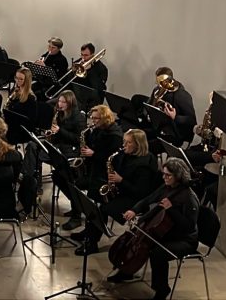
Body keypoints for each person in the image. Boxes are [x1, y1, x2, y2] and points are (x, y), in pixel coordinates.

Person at [109, 158, 199, 300]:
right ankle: (127, 271)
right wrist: (134, 210)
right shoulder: (167, 187)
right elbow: (148, 199)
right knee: (141, 240)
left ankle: (162, 290)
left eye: (168, 175)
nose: (164, 177)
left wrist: (171, 209)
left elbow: (189, 226)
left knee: (157, 253)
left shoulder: (188, 197)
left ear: (178, 176)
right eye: (163, 174)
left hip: (184, 239)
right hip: (168, 232)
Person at [71, 128, 161, 255]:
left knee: (103, 209)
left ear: (138, 144)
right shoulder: (127, 154)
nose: (124, 145)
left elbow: (141, 192)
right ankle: (88, 232)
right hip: (123, 190)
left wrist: (120, 180)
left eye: (128, 142)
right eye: (124, 141)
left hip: (135, 199)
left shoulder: (144, 165)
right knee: (94, 195)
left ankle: (92, 243)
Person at [60, 104, 123, 231]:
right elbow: (88, 144)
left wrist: (93, 154)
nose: (93, 121)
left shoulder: (114, 136)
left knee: (76, 186)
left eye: (96, 118)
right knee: (60, 175)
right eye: (92, 118)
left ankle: (77, 217)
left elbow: (112, 159)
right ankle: (78, 207)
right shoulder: (98, 129)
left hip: (103, 174)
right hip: (92, 167)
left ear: (105, 118)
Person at [150, 67, 196, 147]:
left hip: (175, 134)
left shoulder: (182, 96)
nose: (158, 85)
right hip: (161, 127)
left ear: (168, 81)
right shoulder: (158, 89)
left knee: (147, 145)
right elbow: (151, 103)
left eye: (161, 82)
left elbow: (192, 120)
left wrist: (175, 117)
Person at [2, 67, 37, 142]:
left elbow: (29, 121)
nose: (17, 81)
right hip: (11, 123)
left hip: (19, 129)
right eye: (16, 78)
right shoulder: (16, 91)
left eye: (21, 79)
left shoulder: (30, 98)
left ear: (27, 81)